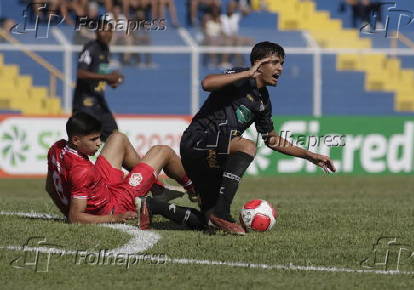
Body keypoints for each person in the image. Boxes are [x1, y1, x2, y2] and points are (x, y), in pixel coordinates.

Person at [180, 42, 336, 235]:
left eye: (282, 63)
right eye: (276, 62)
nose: (280, 68)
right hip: (197, 141)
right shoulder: (239, 77)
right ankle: (222, 211)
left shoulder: (263, 102)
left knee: (207, 220)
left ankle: (154, 207)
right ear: (259, 64)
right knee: (247, 146)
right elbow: (207, 83)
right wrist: (247, 73)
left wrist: (310, 156)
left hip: (214, 155)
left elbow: (271, 139)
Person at [46, 112, 203, 230]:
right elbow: (75, 218)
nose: (99, 143)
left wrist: (65, 208)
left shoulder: (57, 148)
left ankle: (157, 188)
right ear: (75, 140)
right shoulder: (82, 171)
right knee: (163, 151)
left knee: (117, 138)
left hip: (103, 187)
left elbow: (50, 187)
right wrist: (116, 217)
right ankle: (195, 191)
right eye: (93, 140)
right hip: (114, 206)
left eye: (99, 138)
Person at [73, 18, 123, 141]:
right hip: (85, 104)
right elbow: (81, 73)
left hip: (99, 102)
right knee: (86, 140)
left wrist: (112, 81)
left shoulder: (105, 50)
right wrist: (107, 77)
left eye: (109, 31)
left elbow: (99, 74)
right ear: (96, 32)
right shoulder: (91, 48)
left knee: (114, 136)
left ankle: (107, 160)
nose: (105, 33)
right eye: (102, 30)